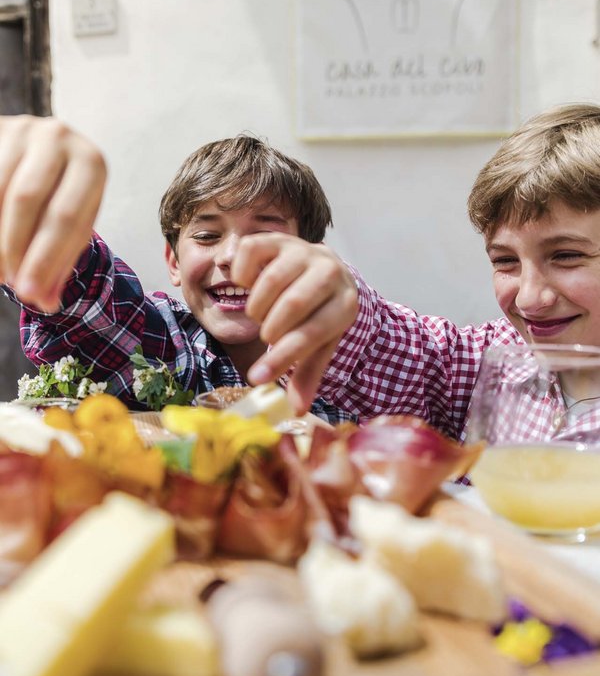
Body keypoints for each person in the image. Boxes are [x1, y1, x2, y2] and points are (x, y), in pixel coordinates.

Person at [0, 117, 358, 420]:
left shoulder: (354, 364)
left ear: (314, 259)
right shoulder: (163, 347)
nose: (231, 256)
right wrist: (35, 202)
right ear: (174, 262)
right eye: (206, 236)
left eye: (264, 234)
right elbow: (88, 292)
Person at [315, 102, 600, 439]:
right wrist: (330, 297)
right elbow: (383, 348)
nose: (529, 298)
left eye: (565, 256)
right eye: (505, 261)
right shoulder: (493, 364)